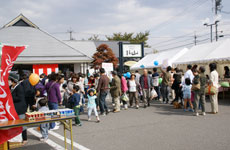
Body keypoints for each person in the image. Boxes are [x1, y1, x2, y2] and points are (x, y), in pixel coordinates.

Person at [9, 73, 28, 145]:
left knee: (22, 124)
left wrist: (10, 98)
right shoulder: (11, 87)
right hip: (13, 109)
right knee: (15, 124)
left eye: (9, 80)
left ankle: (25, 138)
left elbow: (20, 98)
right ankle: (17, 138)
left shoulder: (19, 87)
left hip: (20, 109)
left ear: (13, 81)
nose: (9, 81)